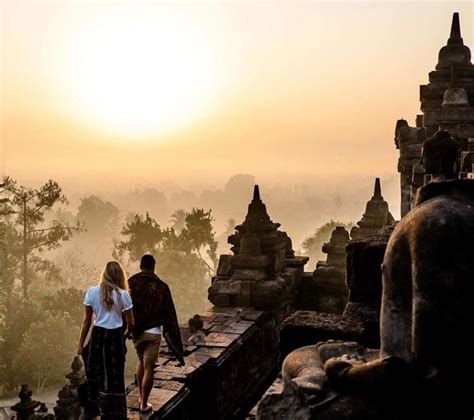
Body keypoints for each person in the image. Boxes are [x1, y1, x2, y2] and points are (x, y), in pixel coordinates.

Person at [77, 261, 134, 420]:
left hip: (98, 337)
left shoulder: (92, 292)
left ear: (104, 274)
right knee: (116, 373)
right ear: (120, 276)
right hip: (115, 337)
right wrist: (125, 336)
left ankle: (99, 407)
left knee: (97, 370)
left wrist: (80, 344)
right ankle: (116, 412)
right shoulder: (123, 295)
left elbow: (87, 322)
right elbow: (131, 323)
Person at [128, 254, 184, 414]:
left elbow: (125, 307)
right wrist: (173, 338)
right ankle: (144, 403)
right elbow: (169, 313)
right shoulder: (162, 286)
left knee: (140, 361)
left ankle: (140, 396)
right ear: (153, 267)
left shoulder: (131, 282)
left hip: (137, 332)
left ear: (141, 266)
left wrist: (126, 329)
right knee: (149, 368)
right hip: (153, 332)